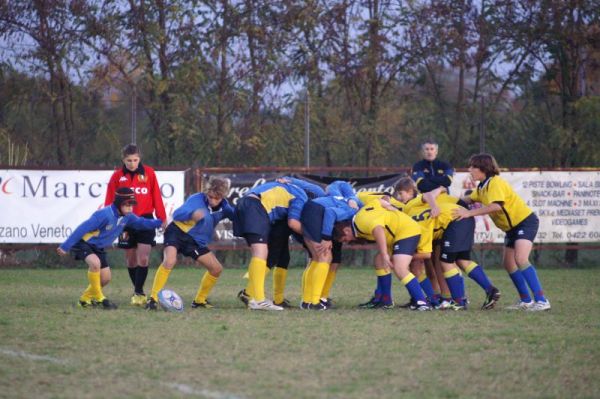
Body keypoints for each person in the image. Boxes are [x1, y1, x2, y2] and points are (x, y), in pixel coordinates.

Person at [453, 153, 550, 311]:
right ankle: (526, 300)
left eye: (473, 166)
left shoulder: (495, 183)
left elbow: (497, 206)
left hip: (525, 222)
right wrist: (441, 201)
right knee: (508, 263)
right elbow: (466, 200)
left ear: (483, 168)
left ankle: (542, 300)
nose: (469, 169)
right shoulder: (482, 186)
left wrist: (469, 213)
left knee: (521, 258)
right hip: (511, 228)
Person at [57, 188, 162, 309]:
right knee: (95, 263)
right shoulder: (103, 215)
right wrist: (65, 246)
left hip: (98, 248)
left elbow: (142, 223)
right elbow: (82, 228)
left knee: (105, 278)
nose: (130, 208)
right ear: (119, 203)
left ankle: (84, 300)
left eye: (132, 205)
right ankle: (101, 298)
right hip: (84, 243)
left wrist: (160, 222)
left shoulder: (128, 217)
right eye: (127, 205)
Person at [145, 177, 234, 310]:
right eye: (210, 196)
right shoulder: (196, 199)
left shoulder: (225, 207)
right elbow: (177, 214)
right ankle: (153, 299)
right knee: (170, 261)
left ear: (223, 196)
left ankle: (199, 301)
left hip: (195, 241)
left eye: (217, 198)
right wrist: (192, 214)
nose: (213, 200)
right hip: (176, 232)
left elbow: (237, 217)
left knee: (216, 269)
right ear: (206, 192)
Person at [334, 204, 431, 311]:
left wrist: (385, 254)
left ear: (347, 230)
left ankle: (422, 302)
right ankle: (386, 300)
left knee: (399, 268)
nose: (346, 241)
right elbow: (380, 201)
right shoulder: (359, 218)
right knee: (379, 261)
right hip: (397, 232)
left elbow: (378, 229)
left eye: (344, 239)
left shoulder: (359, 223)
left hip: (405, 230)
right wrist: (392, 208)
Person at [233, 179, 312, 311]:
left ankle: (251, 295)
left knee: (264, 254)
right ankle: (258, 300)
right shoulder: (301, 196)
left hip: (244, 203)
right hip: (255, 206)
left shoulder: (287, 188)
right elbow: (293, 223)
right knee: (261, 253)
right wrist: (313, 234)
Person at [105, 144, 167, 306]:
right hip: (125, 221)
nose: (132, 163)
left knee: (144, 258)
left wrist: (162, 218)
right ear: (123, 160)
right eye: (129, 160)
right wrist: (109, 221)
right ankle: (138, 291)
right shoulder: (117, 177)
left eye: (135, 160)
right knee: (131, 260)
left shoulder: (149, 173)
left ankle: (139, 292)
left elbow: (157, 197)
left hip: (145, 219)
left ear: (140, 158)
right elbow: (109, 200)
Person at [300, 181, 360, 310]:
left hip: (311, 211)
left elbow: (336, 185)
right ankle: (315, 302)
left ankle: (307, 301)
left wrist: (351, 198)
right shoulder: (352, 210)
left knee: (318, 258)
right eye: (350, 237)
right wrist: (326, 237)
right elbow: (330, 213)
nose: (347, 240)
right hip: (315, 212)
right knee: (325, 256)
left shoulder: (342, 198)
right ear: (348, 229)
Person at [411, 140, 455, 305]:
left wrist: (433, 184)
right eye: (427, 149)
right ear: (423, 151)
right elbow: (421, 184)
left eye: (432, 149)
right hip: (424, 213)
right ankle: (434, 295)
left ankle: (449, 295)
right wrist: (439, 182)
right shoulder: (417, 166)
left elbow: (448, 182)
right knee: (427, 259)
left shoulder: (445, 164)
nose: (429, 151)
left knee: (442, 259)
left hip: (442, 213)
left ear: (436, 151)